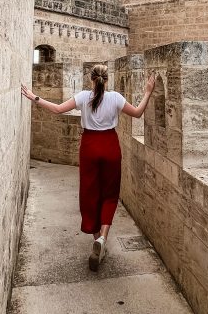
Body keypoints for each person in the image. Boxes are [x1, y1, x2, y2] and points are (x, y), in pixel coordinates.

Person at [21, 64, 156, 271]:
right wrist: (147, 92)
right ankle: (102, 238)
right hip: (110, 146)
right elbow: (137, 113)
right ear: (107, 79)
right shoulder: (116, 98)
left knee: (90, 193)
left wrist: (34, 97)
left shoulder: (83, 97)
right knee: (110, 194)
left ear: (91, 79)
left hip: (90, 147)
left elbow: (57, 110)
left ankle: (97, 239)